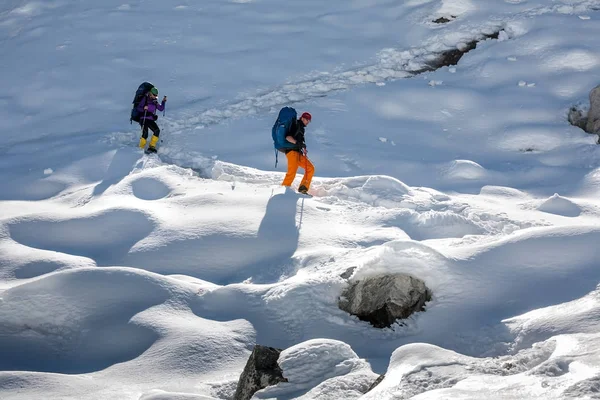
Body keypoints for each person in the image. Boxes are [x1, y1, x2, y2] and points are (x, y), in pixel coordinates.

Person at [281, 112, 314, 194]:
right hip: (291, 152)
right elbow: (288, 137)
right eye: (307, 120)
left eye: (309, 121)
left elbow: (298, 141)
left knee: (310, 168)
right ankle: (283, 190)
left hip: (298, 153)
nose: (308, 122)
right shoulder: (295, 124)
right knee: (292, 172)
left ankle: (303, 188)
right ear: (302, 118)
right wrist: (297, 143)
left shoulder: (301, 128)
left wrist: (302, 147)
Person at [137, 87, 167, 153]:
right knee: (145, 133)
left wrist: (163, 101)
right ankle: (140, 148)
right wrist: (144, 108)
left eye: (156, 95)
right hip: (143, 118)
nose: (155, 96)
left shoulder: (155, 101)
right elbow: (138, 108)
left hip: (150, 119)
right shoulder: (145, 99)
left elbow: (161, 108)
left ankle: (152, 146)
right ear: (150, 93)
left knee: (157, 130)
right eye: (154, 95)